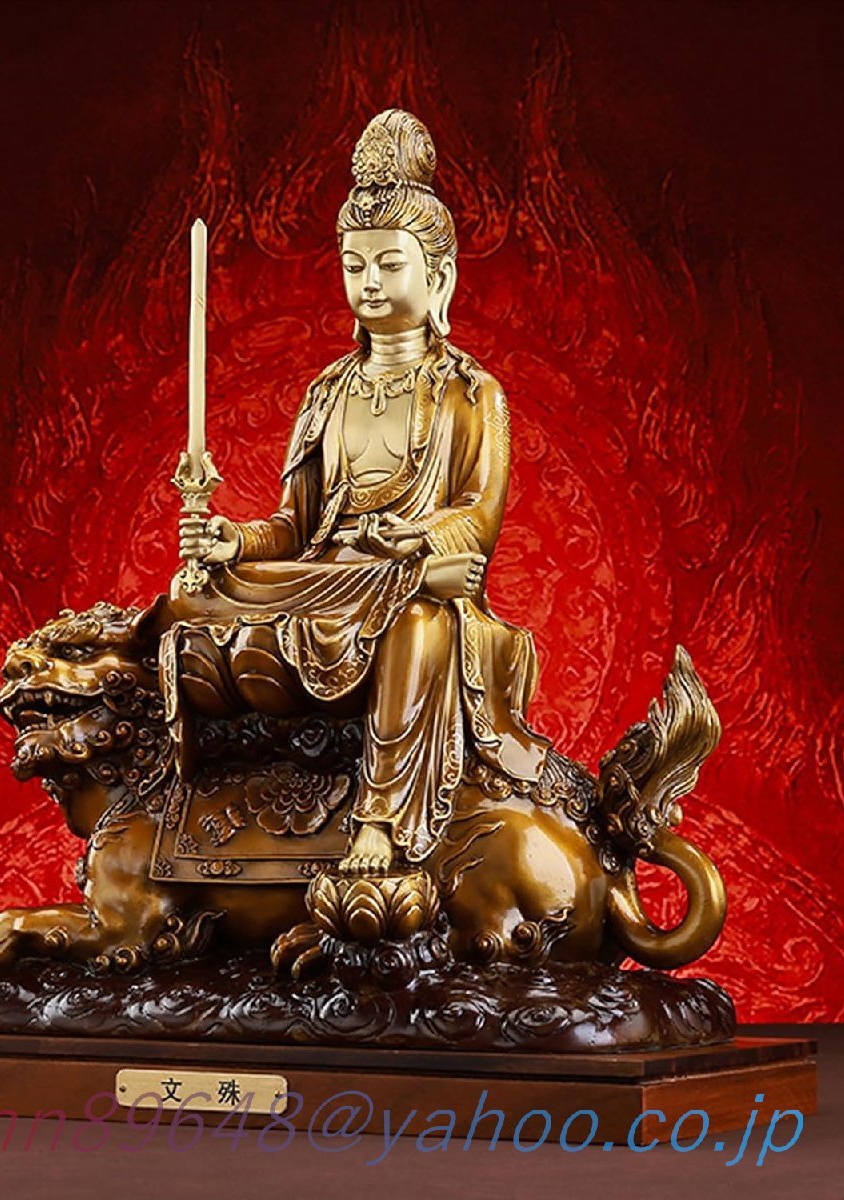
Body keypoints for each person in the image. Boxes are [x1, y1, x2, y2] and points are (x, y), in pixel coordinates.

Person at [150, 109, 550, 877]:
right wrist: (233, 541)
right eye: (354, 263)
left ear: (438, 276)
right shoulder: (327, 392)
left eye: (389, 264)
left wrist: (418, 540)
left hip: (406, 581)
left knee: (420, 618)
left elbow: (479, 517)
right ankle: (185, 802)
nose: (369, 282)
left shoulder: (470, 394)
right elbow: (294, 526)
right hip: (323, 579)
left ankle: (381, 819)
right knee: (187, 602)